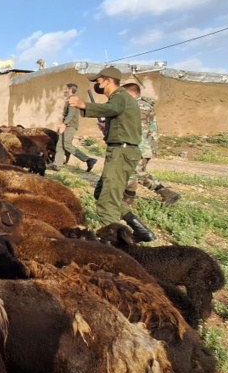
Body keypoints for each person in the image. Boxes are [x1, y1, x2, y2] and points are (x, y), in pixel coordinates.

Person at [68, 66, 155, 242]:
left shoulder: (120, 97)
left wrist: (83, 105)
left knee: (107, 201)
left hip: (121, 152)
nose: (97, 84)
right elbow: (119, 121)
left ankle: (112, 243)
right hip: (120, 150)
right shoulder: (120, 100)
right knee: (102, 193)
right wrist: (106, 128)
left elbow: (112, 108)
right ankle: (140, 230)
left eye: (98, 80)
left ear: (108, 80)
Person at [121, 80, 180, 207]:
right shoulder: (139, 105)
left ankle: (166, 192)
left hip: (140, 147)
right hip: (141, 146)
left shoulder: (140, 106)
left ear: (131, 93)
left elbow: (137, 129)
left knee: (135, 173)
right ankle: (128, 198)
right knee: (133, 173)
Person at [49, 83, 97, 172]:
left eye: (66, 89)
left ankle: (88, 160)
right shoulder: (70, 99)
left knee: (66, 145)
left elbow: (71, 114)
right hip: (67, 124)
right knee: (60, 145)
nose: (65, 90)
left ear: (70, 89)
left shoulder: (73, 99)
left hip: (70, 125)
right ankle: (57, 165)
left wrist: (64, 124)